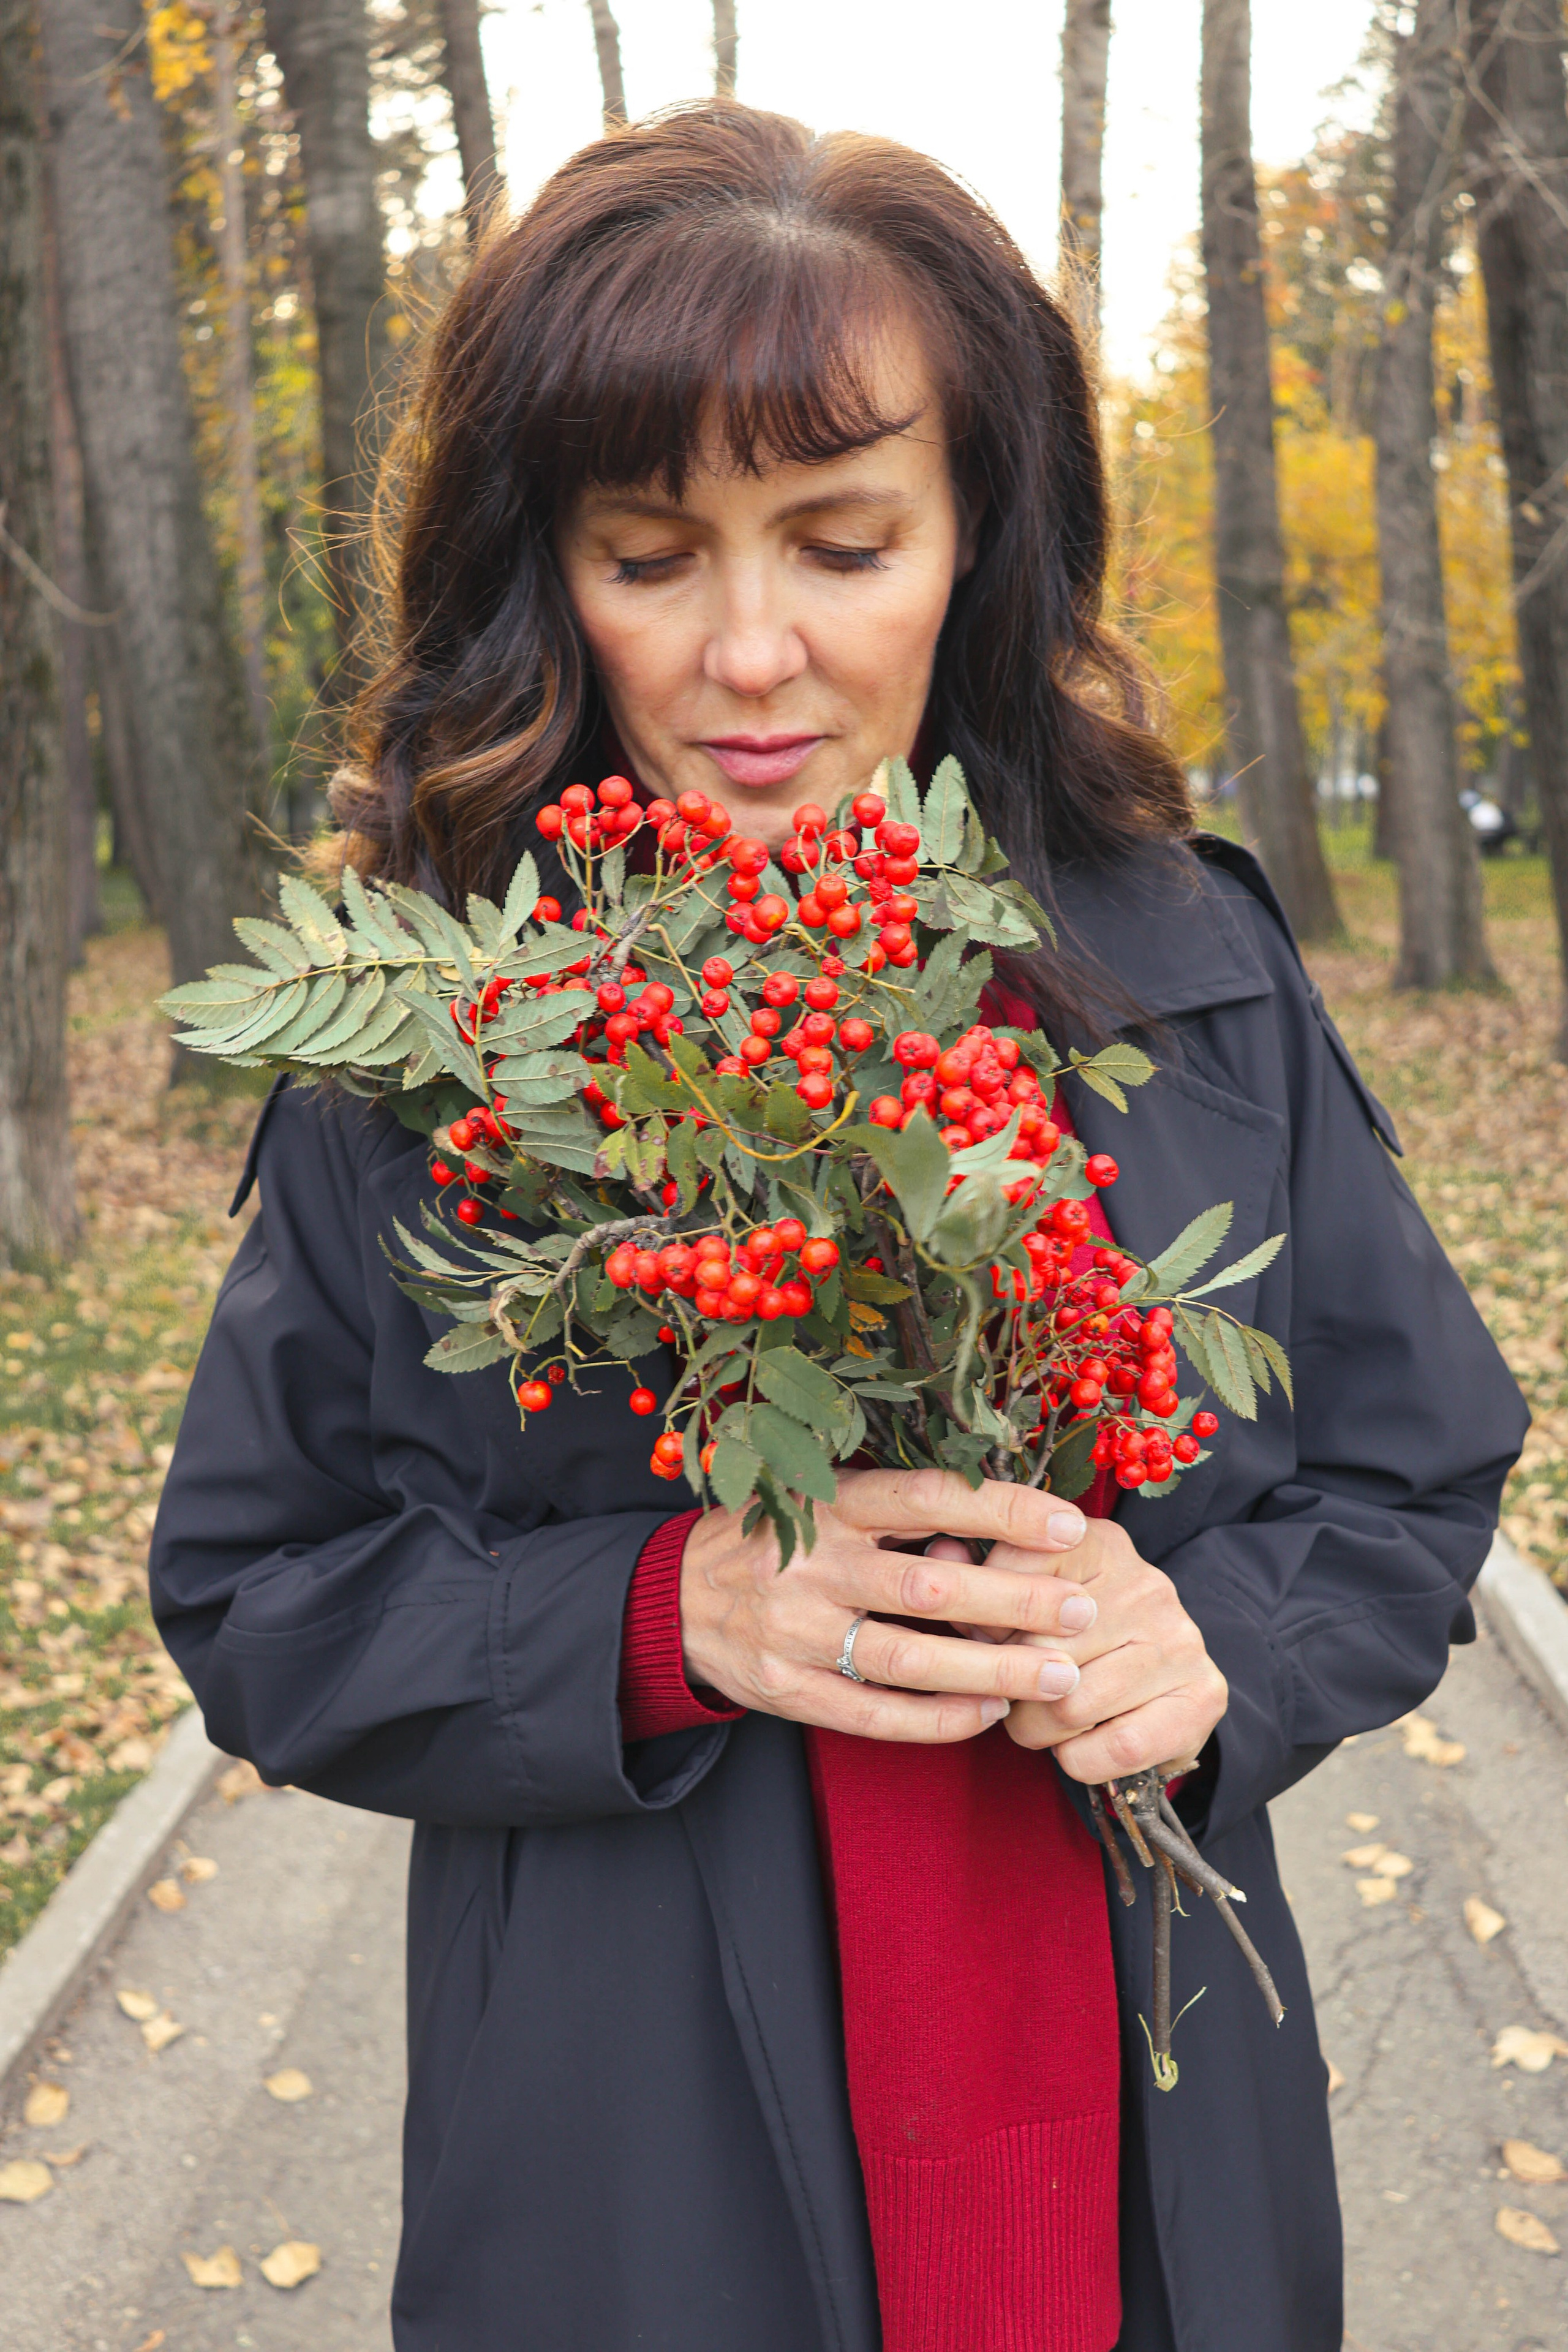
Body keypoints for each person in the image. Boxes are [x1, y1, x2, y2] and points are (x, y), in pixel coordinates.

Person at [149, 102, 1527, 2352]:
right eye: (651, 552)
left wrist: (1213, 1658)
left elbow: (1409, 1471)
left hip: (1139, 2160)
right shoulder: (447, 1035)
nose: (752, 653)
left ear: (978, 536)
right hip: (633, 2188)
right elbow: (256, 1587)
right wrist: (659, 1615)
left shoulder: (1179, 969)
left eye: (843, 538)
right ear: (544, 567)